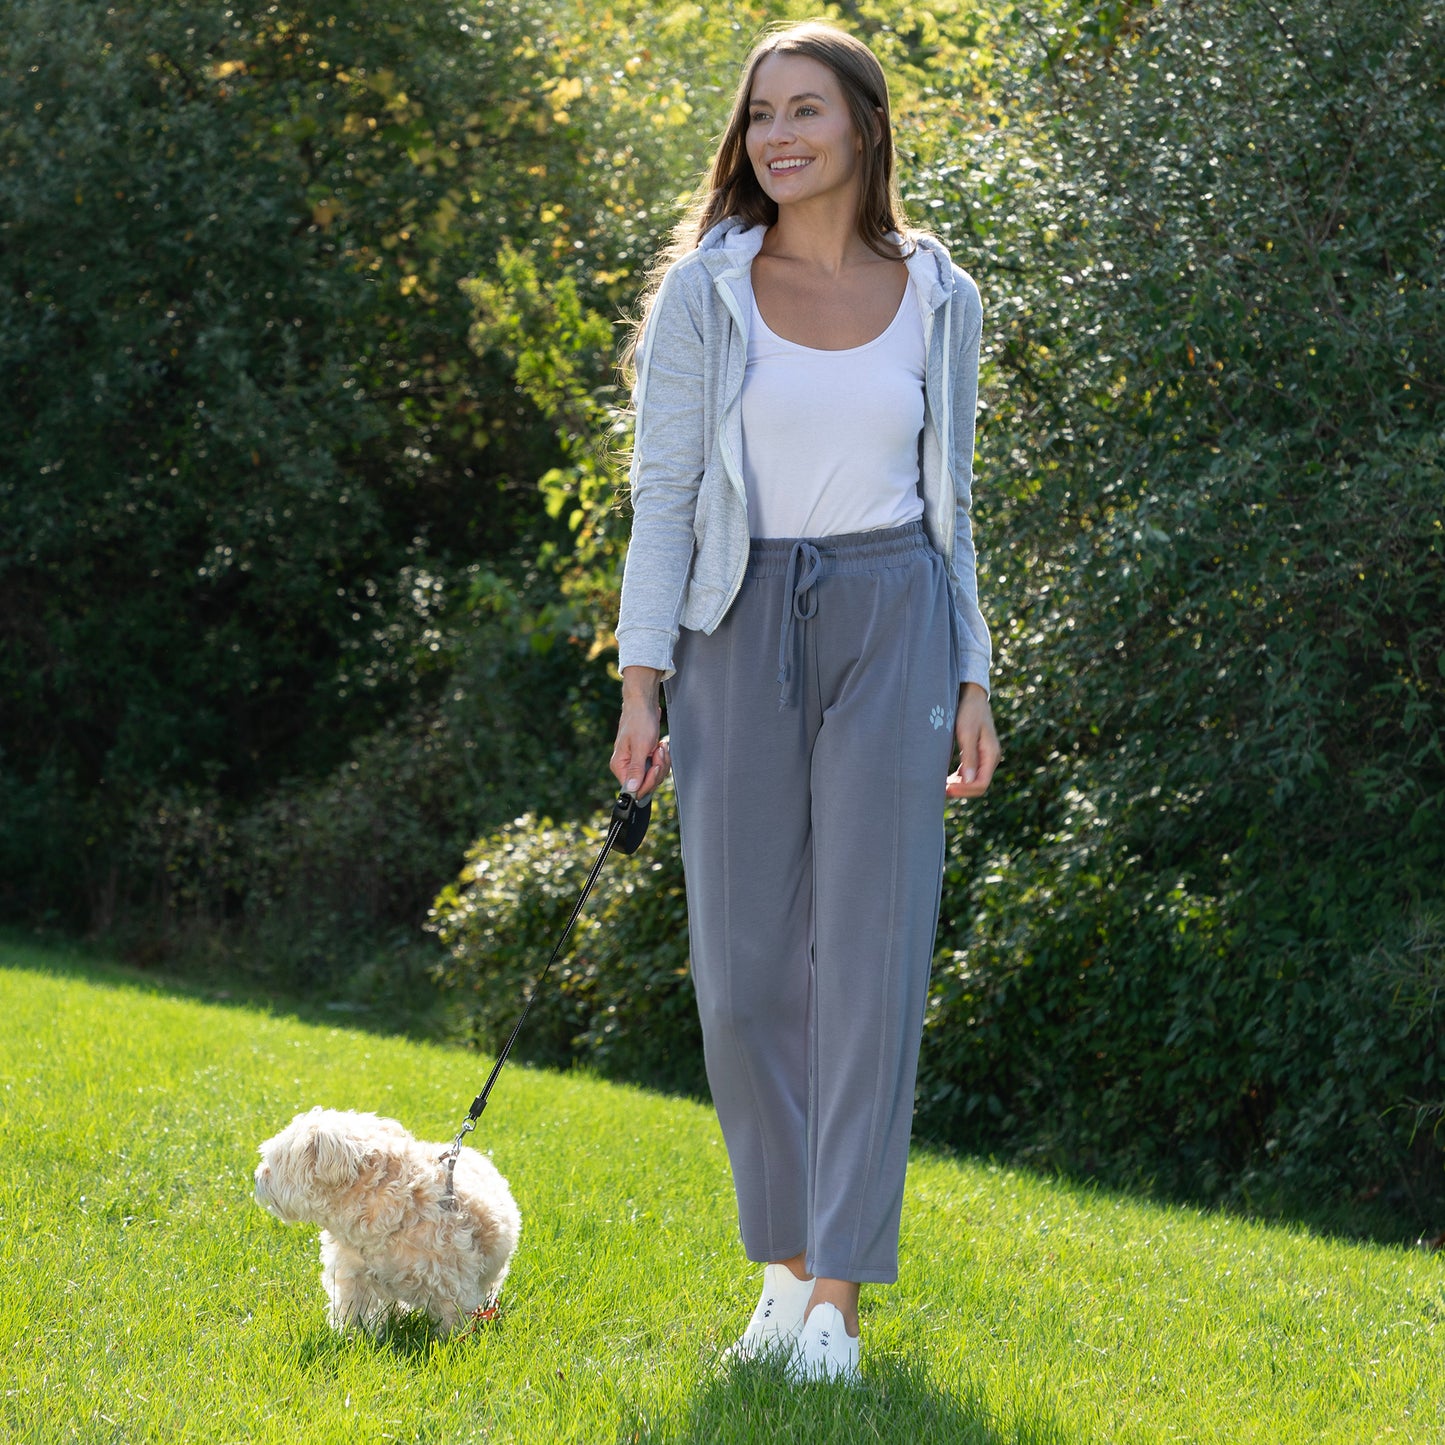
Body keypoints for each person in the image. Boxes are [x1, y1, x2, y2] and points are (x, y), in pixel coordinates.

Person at [608, 19, 999, 1384]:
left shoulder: (937, 291)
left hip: (896, 615)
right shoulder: (705, 292)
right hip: (733, 620)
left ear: (862, 128)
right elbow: (663, 499)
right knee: (746, 973)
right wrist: (640, 679)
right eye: (761, 112)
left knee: (872, 966)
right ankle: (781, 1269)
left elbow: (952, 507)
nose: (779, 134)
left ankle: (835, 1296)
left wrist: (971, 675)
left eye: (806, 111)